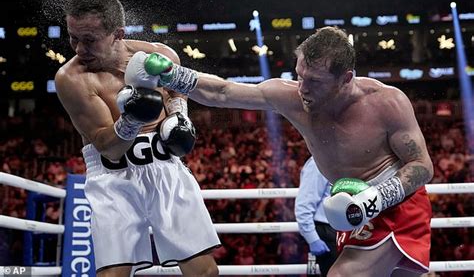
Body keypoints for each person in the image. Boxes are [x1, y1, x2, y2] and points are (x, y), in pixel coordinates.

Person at [127, 26, 434, 276]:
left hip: (396, 207)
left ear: (346, 79)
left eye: (314, 81)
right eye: (299, 75)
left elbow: (422, 166)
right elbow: (222, 91)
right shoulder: (291, 97)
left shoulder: (387, 103)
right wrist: (171, 75)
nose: (303, 88)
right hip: (354, 210)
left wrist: (378, 197)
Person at [54, 0, 220, 277]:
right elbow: (109, 147)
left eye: (89, 40)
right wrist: (130, 119)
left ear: (118, 33)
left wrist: (179, 117)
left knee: (204, 272)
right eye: (73, 38)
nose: (79, 49)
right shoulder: (72, 79)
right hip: (112, 178)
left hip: (164, 168)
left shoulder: (160, 55)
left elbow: (175, 93)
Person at [295, 156, 337, 277]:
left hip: (345, 231)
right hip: (326, 231)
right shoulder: (318, 162)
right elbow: (304, 205)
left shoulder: (345, 161)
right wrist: (312, 238)